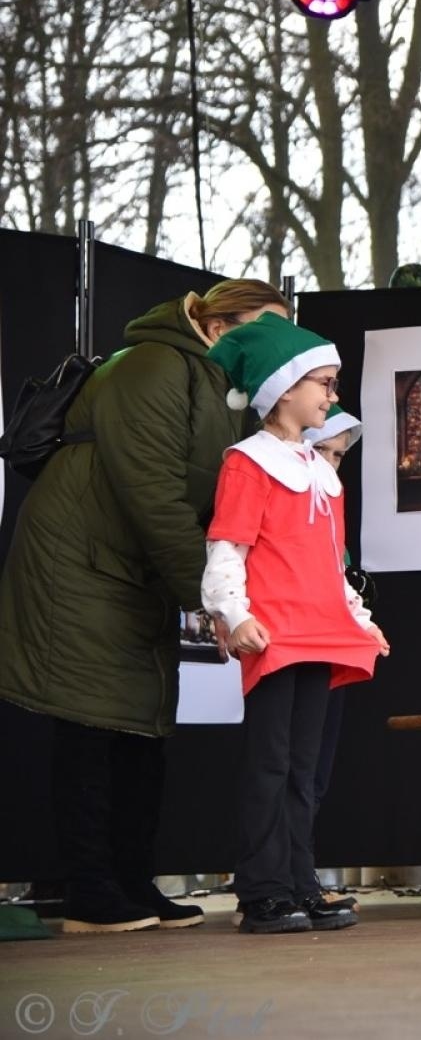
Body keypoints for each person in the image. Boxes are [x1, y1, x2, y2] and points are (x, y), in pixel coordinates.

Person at [0, 279, 289, 934]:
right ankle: (89, 892)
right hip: (78, 567)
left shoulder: (219, 384)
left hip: (130, 572)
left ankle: (131, 881)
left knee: (141, 729)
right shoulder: (154, 366)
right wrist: (216, 603)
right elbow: (154, 493)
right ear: (221, 325)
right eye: (262, 331)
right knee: (91, 725)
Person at [201, 315, 387, 935]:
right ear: (284, 390)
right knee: (270, 764)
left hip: (322, 631)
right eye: (324, 385)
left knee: (305, 768)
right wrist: (236, 613)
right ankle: (261, 892)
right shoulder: (246, 464)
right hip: (275, 634)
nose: (332, 397)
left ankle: (300, 884)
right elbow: (227, 547)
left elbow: (332, 567)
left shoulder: (321, 471)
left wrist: (360, 620)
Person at [302, 405, 368, 911]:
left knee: (316, 773)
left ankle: (299, 873)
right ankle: (279, 879)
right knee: (290, 771)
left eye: (339, 456)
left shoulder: (332, 505)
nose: (331, 464)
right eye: (324, 451)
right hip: (295, 650)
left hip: (333, 652)